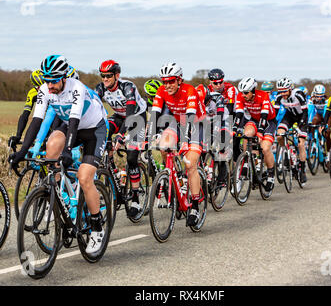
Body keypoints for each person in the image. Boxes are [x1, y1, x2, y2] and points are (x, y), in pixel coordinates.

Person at [9, 54, 108, 254]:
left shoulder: (77, 89)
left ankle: (97, 228)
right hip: (72, 126)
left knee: (84, 177)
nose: (50, 85)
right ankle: (57, 197)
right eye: (47, 80)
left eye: (54, 80)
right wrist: (21, 152)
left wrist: (69, 150)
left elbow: (74, 122)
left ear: (64, 77)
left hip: (94, 129)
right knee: (53, 144)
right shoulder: (45, 90)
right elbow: (36, 121)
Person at [149, 62, 206, 226]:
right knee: (163, 145)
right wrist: (150, 136)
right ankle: (172, 175)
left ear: (179, 80)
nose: (167, 85)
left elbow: (190, 118)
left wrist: (186, 142)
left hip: (196, 124)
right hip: (176, 122)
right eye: (164, 81)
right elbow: (154, 114)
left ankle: (194, 206)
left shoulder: (190, 91)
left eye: (171, 81)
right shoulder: (161, 91)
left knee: (190, 164)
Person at [95, 59, 147, 217]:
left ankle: (136, 199)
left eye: (108, 76)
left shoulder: (127, 87)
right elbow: (94, 110)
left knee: (131, 157)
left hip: (136, 118)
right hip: (118, 116)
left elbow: (130, 115)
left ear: (117, 75)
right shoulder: (100, 88)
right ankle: (112, 171)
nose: (105, 79)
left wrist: (120, 135)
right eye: (102, 76)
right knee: (101, 130)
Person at [233, 77, 277, 192]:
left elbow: (264, 116)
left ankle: (271, 175)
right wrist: (234, 129)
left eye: (246, 92)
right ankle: (247, 162)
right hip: (254, 119)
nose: (243, 95)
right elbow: (238, 114)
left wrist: (260, 132)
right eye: (242, 92)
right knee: (246, 134)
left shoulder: (263, 96)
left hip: (268, 121)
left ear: (253, 90)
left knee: (265, 148)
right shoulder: (241, 96)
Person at [274, 77, 308, 183]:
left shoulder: (298, 94)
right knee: (280, 135)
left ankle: (302, 169)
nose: (283, 93)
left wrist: (299, 126)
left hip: (302, 117)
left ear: (290, 88)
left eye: (285, 90)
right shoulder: (279, 97)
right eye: (280, 91)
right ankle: (286, 152)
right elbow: (274, 113)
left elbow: (305, 112)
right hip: (289, 116)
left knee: (301, 144)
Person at [8, 70, 44, 151]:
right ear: (36, 86)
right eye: (39, 87)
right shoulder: (32, 93)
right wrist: (18, 136)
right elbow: (25, 115)